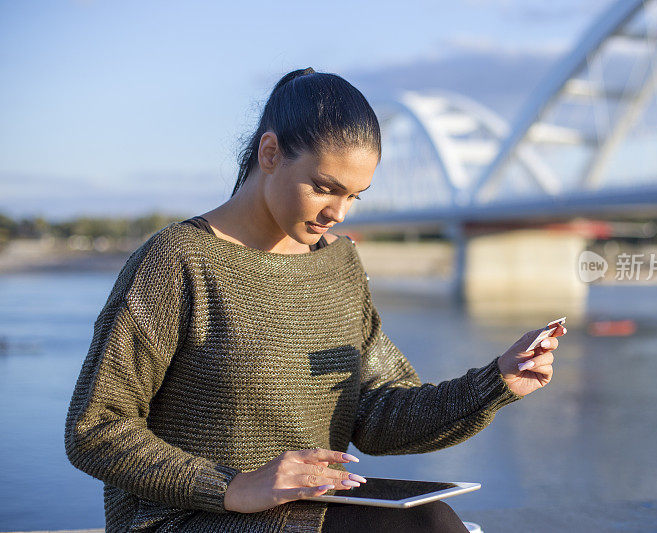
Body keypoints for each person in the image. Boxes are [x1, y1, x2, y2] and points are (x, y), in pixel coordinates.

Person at [64, 67, 566, 533]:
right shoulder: (178, 261)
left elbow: (377, 413)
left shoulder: (338, 263)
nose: (339, 213)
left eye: (355, 196)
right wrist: (235, 486)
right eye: (325, 188)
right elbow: (95, 428)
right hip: (186, 519)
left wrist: (496, 381)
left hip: (309, 514)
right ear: (270, 154)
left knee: (430, 523)